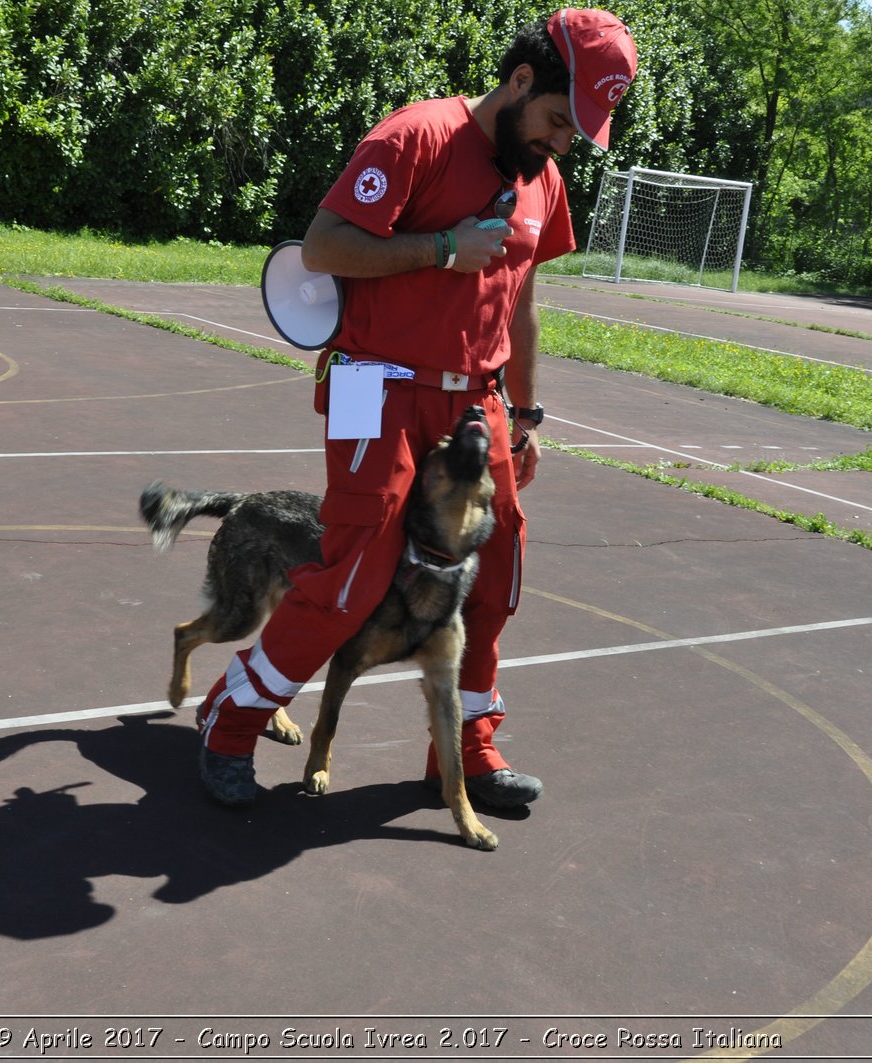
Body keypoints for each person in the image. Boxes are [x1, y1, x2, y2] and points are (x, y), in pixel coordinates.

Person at [197, 8, 638, 807]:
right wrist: (440, 248)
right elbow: (325, 246)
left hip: (477, 401)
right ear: (521, 79)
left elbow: (525, 304)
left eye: (576, 133)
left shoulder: (545, 178)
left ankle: (467, 751)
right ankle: (230, 721)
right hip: (376, 384)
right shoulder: (413, 137)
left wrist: (528, 416)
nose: (563, 142)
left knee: (496, 568)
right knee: (355, 578)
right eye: (557, 121)